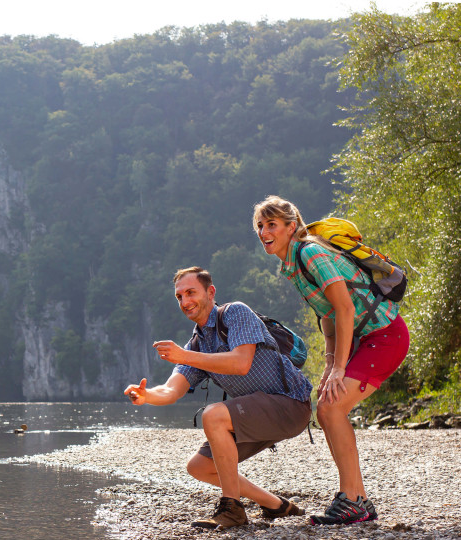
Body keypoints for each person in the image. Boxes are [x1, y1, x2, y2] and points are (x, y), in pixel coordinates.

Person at [252, 195, 410, 525]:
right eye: (260, 226)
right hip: (364, 341)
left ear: (290, 227)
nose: (264, 231)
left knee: (331, 408)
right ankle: (358, 499)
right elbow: (327, 315)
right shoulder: (291, 265)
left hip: (384, 336)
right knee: (327, 408)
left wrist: (340, 368)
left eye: (271, 224)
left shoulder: (310, 252)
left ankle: (352, 500)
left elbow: (345, 309)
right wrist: (329, 365)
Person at [123, 266, 313, 530]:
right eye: (179, 296)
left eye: (191, 292)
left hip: (290, 404)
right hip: (257, 413)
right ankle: (276, 505)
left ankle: (232, 510)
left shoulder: (235, 313)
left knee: (213, 414)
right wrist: (146, 396)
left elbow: (241, 362)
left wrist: (184, 356)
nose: (185, 301)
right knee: (199, 467)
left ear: (211, 292)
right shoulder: (198, 345)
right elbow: (171, 390)